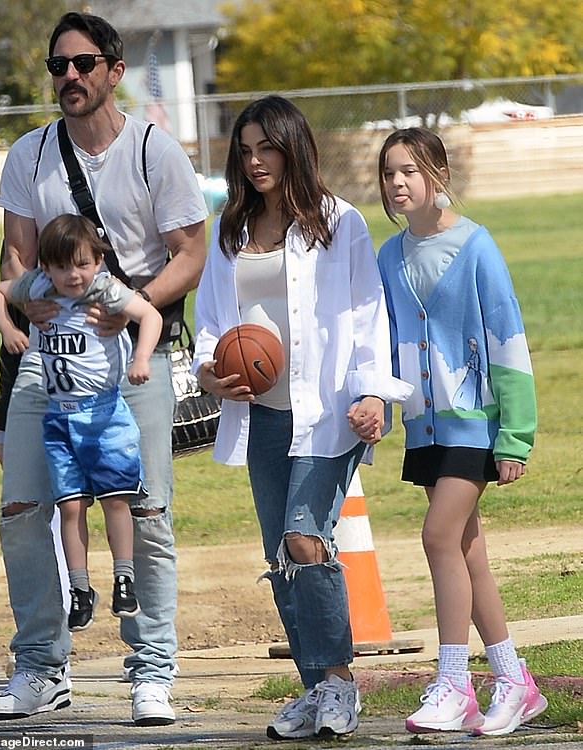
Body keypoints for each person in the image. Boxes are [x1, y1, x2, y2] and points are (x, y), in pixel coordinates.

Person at [0, 12, 208, 726]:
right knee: (22, 512)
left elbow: (191, 252)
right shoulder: (30, 153)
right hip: (45, 363)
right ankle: (41, 667)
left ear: (114, 69)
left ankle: (152, 671)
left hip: (127, 360)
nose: (69, 77)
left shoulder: (153, 152)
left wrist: (132, 308)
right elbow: (15, 253)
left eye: (83, 64)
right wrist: (29, 306)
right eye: (58, 67)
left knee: (145, 512)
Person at [191, 95, 412, 741]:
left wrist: (373, 393)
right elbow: (210, 322)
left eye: (268, 147)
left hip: (330, 410)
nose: (256, 161)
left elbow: (371, 316)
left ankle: (340, 682)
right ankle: (316, 690)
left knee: (304, 538)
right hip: (261, 414)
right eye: (246, 150)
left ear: (293, 147)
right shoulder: (230, 228)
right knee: (282, 555)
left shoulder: (339, 222)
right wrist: (209, 370)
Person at [371, 127, 548, 736]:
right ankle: (514, 681)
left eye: (410, 171)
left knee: (438, 538)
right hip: (426, 428)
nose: (398, 182)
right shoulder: (388, 257)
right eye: (390, 171)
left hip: (475, 422)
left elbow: (509, 338)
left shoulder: (477, 247)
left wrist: (515, 436)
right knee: (468, 552)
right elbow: (384, 342)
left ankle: (454, 684)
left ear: (438, 176)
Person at [0, 214, 163, 631]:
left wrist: (140, 358)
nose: (73, 274)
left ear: (98, 262)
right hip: (59, 420)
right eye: (62, 266)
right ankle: (81, 589)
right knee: (70, 507)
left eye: (83, 264)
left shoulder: (104, 289)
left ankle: (124, 577)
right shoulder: (39, 289)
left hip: (104, 416)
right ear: (44, 267)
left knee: (117, 500)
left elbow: (150, 316)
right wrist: (10, 326)